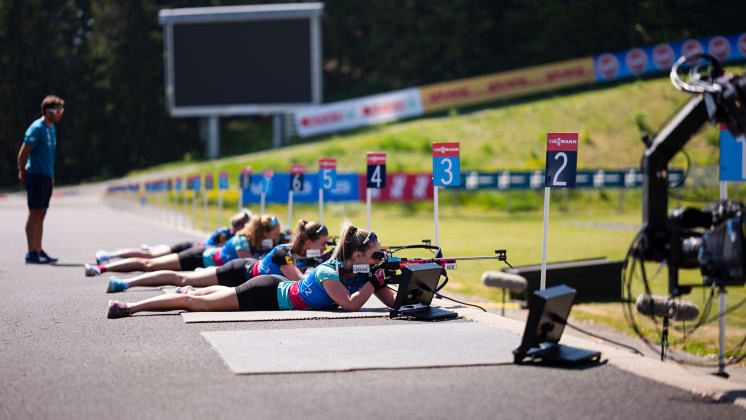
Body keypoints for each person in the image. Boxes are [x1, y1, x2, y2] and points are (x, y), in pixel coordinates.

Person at [106, 222, 395, 318]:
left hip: (270, 285)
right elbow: (351, 306)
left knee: (215, 294)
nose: (380, 258)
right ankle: (129, 306)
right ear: (357, 255)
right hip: (266, 293)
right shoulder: (329, 273)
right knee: (195, 304)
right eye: (377, 255)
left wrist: (403, 284)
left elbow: (393, 303)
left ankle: (192, 288)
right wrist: (374, 279)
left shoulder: (359, 271)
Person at [104, 219, 329, 292]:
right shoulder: (285, 252)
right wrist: (319, 266)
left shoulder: (292, 250)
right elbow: (299, 281)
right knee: (175, 276)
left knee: (187, 286)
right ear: (307, 243)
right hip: (235, 269)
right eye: (322, 244)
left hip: (245, 276)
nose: (323, 248)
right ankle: (124, 282)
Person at [85, 214, 279, 276]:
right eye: (275, 233)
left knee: (151, 259)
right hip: (198, 255)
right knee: (149, 263)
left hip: (206, 263)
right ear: (264, 232)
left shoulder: (259, 240)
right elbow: (250, 262)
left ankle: (106, 262)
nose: (278, 237)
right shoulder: (242, 240)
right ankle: (103, 266)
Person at [94, 210, 251, 263]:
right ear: (241, 226)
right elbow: (219, 250)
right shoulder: (224, 234)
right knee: (149, 258)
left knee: (150, 256)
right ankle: (109, 255)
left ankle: (110, 255)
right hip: (191, 249)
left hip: (192, 248)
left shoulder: (227, 232)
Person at [18, 95, 64, 264]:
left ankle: (38, 249)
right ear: (47, 111)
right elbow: (23, 152)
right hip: (36, 175)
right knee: (34, 213)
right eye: (57, 110)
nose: (60, 113)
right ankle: (31, 252)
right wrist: (22, 170)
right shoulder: (36, 127)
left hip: (46, 176)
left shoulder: (51, 128)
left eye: (61, 110)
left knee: (42, 213)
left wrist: (51, 176)